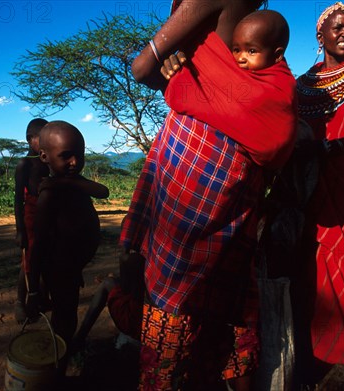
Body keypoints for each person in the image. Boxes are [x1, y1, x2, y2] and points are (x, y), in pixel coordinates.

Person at [123, 1, 297, 389]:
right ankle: (220, 373)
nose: (240, 56)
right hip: (243, 177)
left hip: (195, 165)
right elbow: (278, 126)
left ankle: (165, 377)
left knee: (172, 297)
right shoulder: (255, 14)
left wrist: (181, 82)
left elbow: (142, 68)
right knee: (229, 296)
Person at [289, 2, 344, 389]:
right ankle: (309, 349)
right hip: (305, 184)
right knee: (307, 265)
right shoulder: (302, 83)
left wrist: (325, 149)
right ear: (320, 35)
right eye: (337, 27)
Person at [25, 120, 109, 375]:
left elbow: (103, 191)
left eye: (79, 155)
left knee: (65, 315)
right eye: (66, 156)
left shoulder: (70, 182)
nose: (75, 162)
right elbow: (38, 244)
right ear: (44, 156)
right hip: (59, 267)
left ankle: (57, 363)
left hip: (71, 265)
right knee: (64, 318)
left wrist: (68, 182)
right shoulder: (49, 195)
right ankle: (56, 369)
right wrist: (33, 289)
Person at [13, 117, 49, 323]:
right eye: (42, 138)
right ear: (30, 139)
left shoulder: (48, 160)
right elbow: (18, 199)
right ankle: (20, 301)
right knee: (29, 259)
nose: (46, 142)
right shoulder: (24, 164)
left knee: (44, 256)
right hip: (31, 215)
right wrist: (20, 230)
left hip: (49, 214)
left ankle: (42, 298)